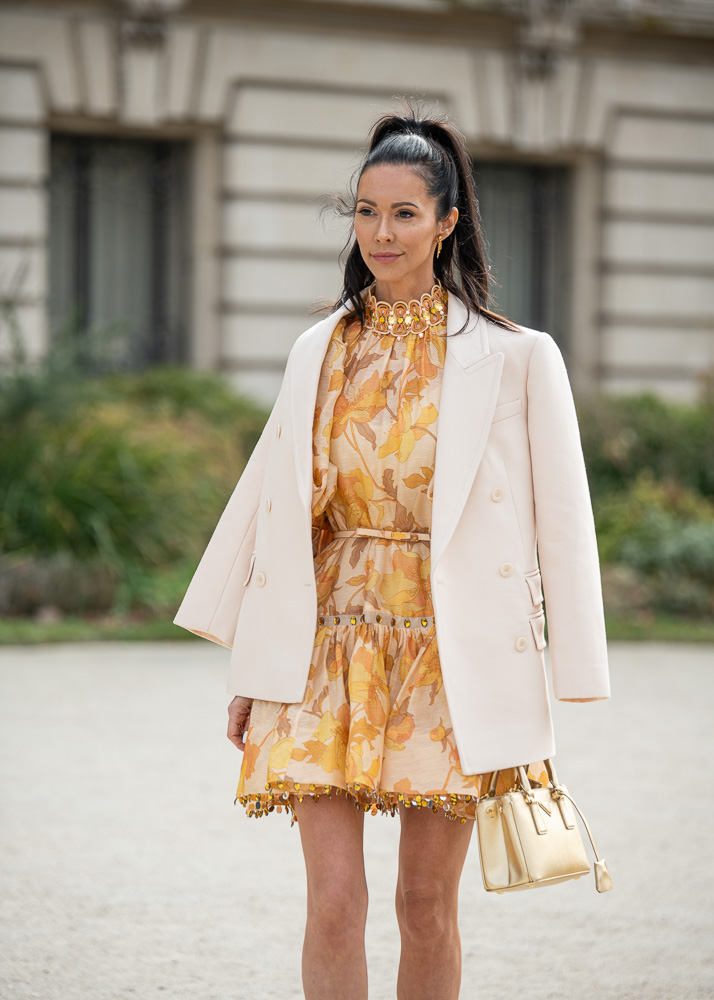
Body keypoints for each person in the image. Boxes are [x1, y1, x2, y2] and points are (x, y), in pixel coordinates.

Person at [173, 105, 610, 1000]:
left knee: (424, 906)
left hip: (450, 657)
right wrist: (250, 671)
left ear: (448, 221)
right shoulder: (317, 349)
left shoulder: (518, 359)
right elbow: (270, 506)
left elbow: (564, 520)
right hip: (323, 646)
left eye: (405, 212)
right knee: (332, 904)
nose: (381, 232)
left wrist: (562, 679)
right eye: (366, 211)